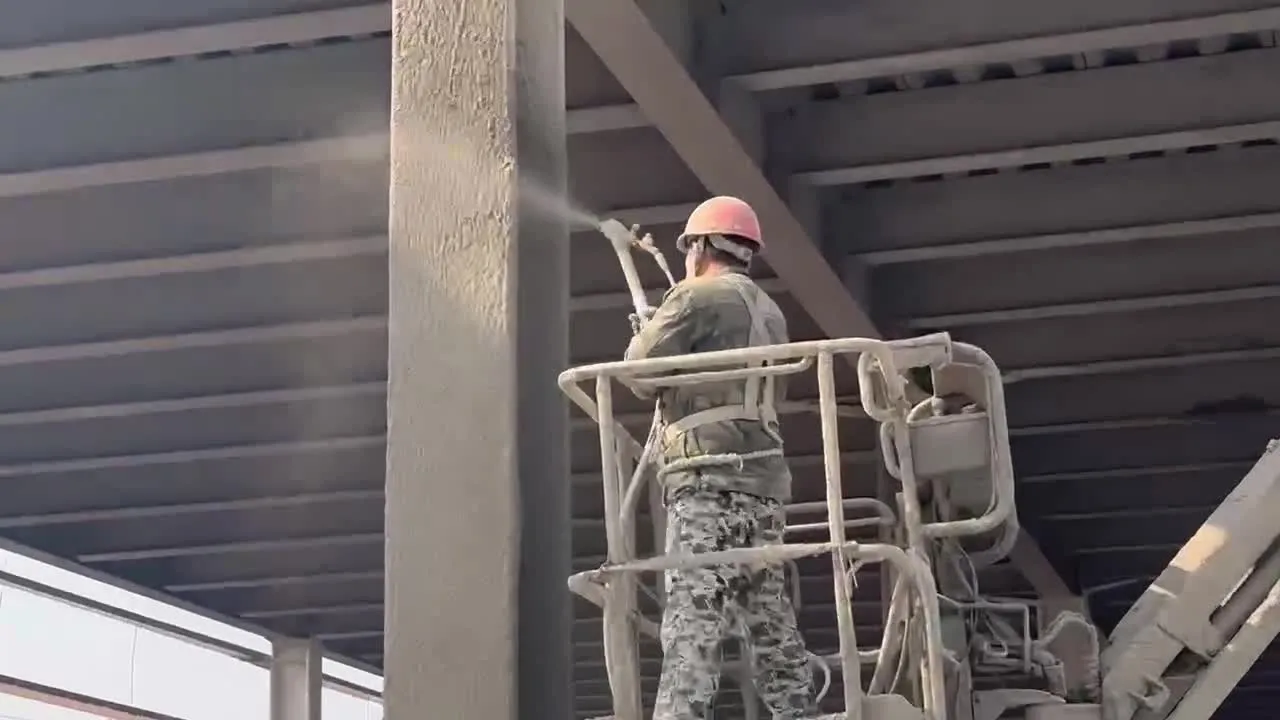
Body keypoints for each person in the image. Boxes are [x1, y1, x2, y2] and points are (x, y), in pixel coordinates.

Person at [625, 196, 815, 719]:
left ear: (702, 246)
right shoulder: (769, 311)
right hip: (765, 483)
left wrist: (646, 329)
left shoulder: (694, 297)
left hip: (707, 476)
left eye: (690, 246)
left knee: (694, 619)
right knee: (769, 619)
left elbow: (641, 373)